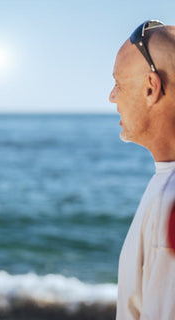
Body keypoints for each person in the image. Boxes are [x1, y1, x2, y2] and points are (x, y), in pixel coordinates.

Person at [109, 20, 175, 319]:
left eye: (119, 84)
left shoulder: (169, 201)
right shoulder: (164, 183)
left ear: (151, 88)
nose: (112, 97)